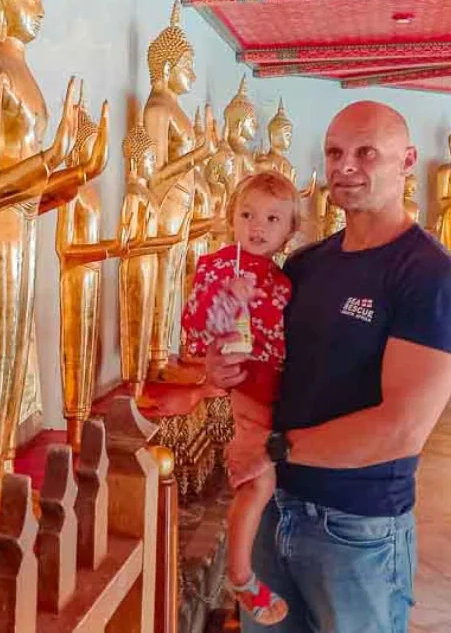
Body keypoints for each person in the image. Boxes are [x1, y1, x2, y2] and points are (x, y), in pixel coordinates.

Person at [206, 101, 451, 633]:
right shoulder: (305, 265)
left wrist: (274, 448)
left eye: (366, 152)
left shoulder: (432, 278)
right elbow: (274, 369)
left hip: (357, 530)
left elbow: (401, 429)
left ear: (407, 161)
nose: (345, 165)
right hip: (275, 507)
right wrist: (221, 372)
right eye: (334, 152)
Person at [182, 172, 300, 624]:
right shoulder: (217, 265)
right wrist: (229, 301)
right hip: (248, 385)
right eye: (247, 214)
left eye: (273, 218)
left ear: (288, 231)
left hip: (275, 389)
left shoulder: (282, 282)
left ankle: (245, 578)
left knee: (261, 480)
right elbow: (198, 325)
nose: (258, 226)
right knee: (259, 483)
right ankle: (241, 576)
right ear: (231, 217)